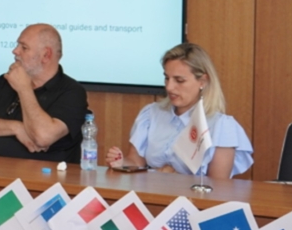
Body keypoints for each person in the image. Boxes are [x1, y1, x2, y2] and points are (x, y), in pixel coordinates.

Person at [106, 43, 253, 178]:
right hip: (150, 194)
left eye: (179, 80)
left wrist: (175, 179)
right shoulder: (151, 114)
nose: (169, 87)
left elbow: (218, 187)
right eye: (167, 78)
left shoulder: (222, 126)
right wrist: (121, 163)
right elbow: (136, 162)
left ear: (202, 81)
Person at [0, 23, 89, 162]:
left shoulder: (72, 92)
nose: (15, 51)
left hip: (38, 174)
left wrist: (24, 89)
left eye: (24, 47)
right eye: (17, 45)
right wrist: (16, 127)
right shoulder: (5, 81)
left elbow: (43, 137)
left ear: (46, 55)